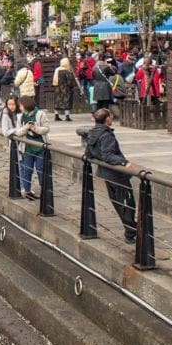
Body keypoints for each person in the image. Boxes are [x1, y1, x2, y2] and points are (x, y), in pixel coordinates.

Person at [82, 108, 137, 244]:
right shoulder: (106, 135)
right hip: (117, 175)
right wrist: (124, 162)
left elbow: (89, 153)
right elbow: (108, 155)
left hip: (106, 174)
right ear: (107, 119)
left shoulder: (93, 133)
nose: (112, 119)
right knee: (127, 202)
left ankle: (131, 229)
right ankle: (131, 230)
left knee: (118, 202)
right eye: (111, 117)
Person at [17, 95, 49, 201]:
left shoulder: (40, 114)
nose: (20, 108)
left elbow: (46, 129)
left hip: (40, 146)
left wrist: (35, 128)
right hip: (27, 147)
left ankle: (44, 191)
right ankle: (27, 191)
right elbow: (18, 132)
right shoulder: (20, 116)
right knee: (27, 169)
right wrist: (26, 128)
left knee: (41, 169)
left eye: (20, 106)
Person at [52, 57, 78, 121]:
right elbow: (70, 81)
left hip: (57, 88)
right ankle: (67, 116)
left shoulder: (57, 70)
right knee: (67, 101)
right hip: (66, 89)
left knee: (57, 102)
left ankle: (56, 115)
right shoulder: (67, 71)